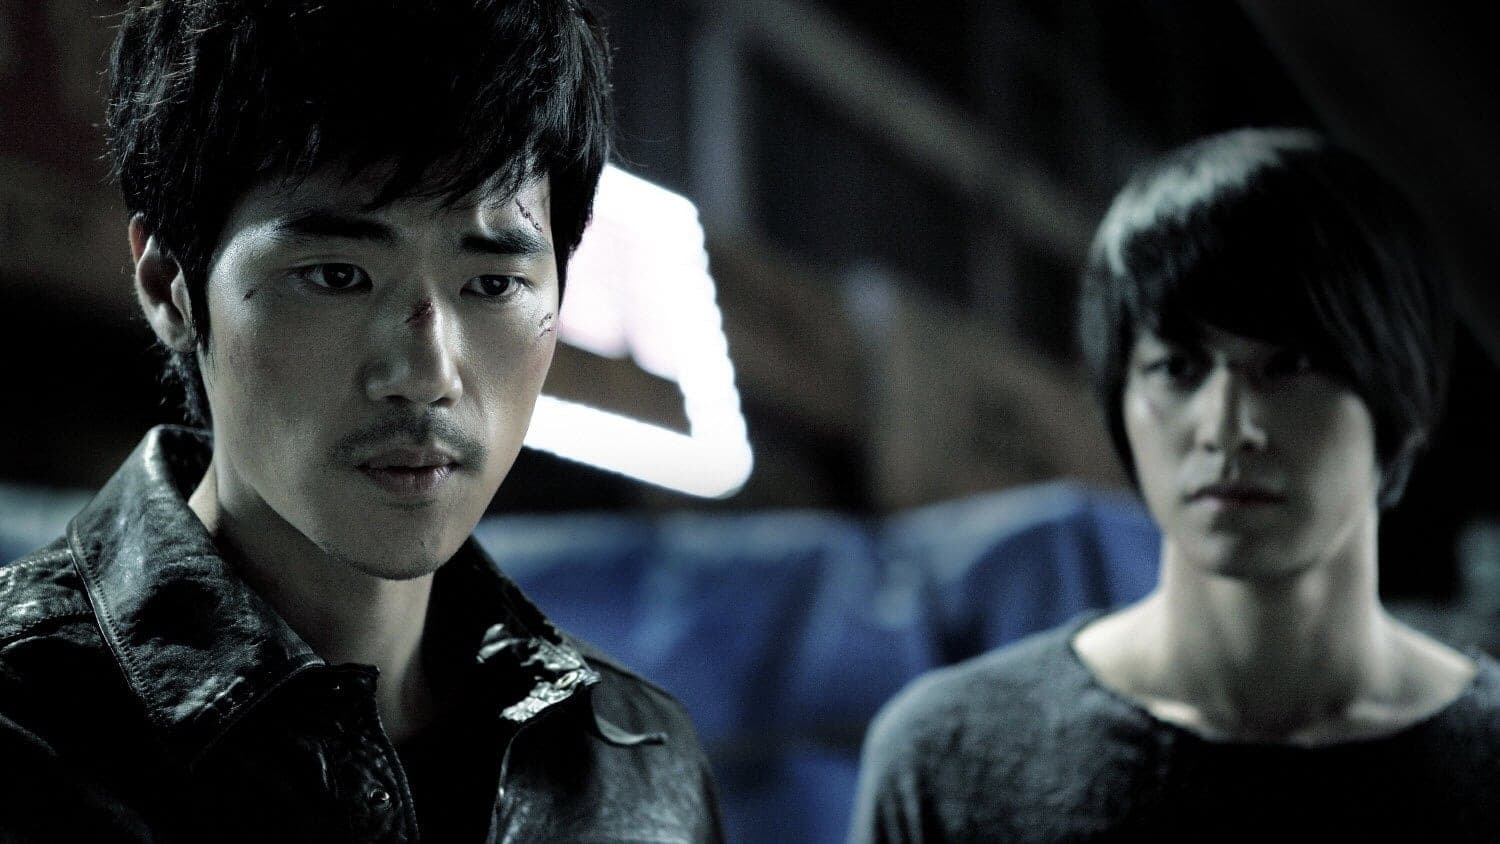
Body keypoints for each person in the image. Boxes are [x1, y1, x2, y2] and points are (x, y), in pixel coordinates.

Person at [0, 1, 722, 841]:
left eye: (492, 285)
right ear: (170, 288)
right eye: (337, 275)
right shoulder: (26, 736)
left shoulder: (637, 767)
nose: (425, 375)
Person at [849, 128, 1500, 842]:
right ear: (1120, 401)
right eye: (1178, 368)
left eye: (1289, 365)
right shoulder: (955, 762)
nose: (1227, 427)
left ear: (1398, 397)